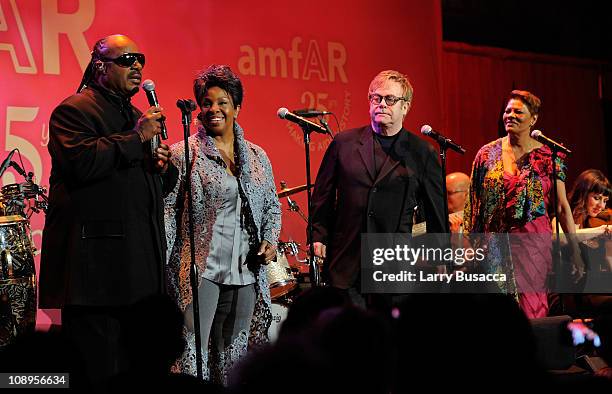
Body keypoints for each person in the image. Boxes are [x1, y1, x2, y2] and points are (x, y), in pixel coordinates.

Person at [39, 34, 177, 389]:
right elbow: (82, 163)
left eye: (140, 59)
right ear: (100, 67)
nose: (137, 66)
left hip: (139, 271)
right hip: (97, 277)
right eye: (127, 59)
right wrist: (137, 138)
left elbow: (143, 185)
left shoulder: (134, 116)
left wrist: (163, 168)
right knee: (98, 370)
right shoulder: (74, 110)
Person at [164, 65, 281, 384]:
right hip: (201, 273)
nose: (213, 109)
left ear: (237, 107)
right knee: (193, 353)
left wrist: (269, 240)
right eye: (207, 102)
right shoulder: (182, 154)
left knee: (234, 355)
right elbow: (168, 214)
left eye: (222, 102)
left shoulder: (258, 156)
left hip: (245, 273)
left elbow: (272, 204)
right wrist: (161, 267)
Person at [310, 69, 446, 307]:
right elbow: (323, 194)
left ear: (405, 107)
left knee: (389, 339)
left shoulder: (422, 153)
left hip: (394, 263)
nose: (382, 104)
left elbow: (435, 211)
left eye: (390, 99)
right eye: (376, 98)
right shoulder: (344, 143)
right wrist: (318, 235)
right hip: (348, 259)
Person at [463, 89, 580, 318]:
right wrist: (468, 247)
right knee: (497, 312)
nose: (510, 115)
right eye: (507, 111)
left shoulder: (550, 156)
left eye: (518, 111)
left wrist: (575, 251)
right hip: (494, 247)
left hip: (533, 248)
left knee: (531, 310)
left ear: (533, 119)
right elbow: (473, 206)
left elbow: (562, 207)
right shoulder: (486, 154)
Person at [551, 169, 611, 316]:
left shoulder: (594, 222)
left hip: (592, 290)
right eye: (597, 198)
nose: (601, 206)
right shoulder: (560, 218)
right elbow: (562, 239)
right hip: (569, 294)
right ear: (583, 193)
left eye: (605, 201)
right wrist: (601, 230)